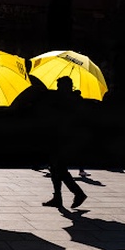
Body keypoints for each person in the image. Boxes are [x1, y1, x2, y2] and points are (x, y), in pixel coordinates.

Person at [42, 76, 88, 209]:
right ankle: (58, 197)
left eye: (60, 86)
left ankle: (77, 193)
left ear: (66, 86)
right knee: (55, 168)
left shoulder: (72, 101)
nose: (57, 88)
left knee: (59, 168)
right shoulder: (62, 99)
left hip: (66, 140)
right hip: (57, 137)